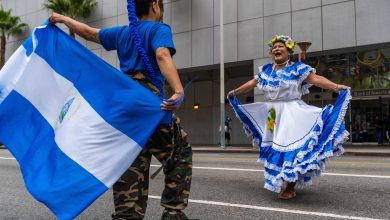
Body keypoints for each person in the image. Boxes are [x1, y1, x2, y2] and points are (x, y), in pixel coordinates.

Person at [49, 0, 192, 219]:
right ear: (155, 5)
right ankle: (173, 213)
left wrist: (63, 19)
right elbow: (162, 54)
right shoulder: (158, 29)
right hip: (147, 101)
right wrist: (178, 90)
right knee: (179, 153)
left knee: (131, 159)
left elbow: (89, 33)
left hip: (124, 105)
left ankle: (127, 215)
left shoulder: (123, 33)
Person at [227, 35, 351, 200]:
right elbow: (251, 84)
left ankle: (289, 185)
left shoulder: (297, 68)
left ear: (289, 50)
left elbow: (316, 79)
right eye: (274, 47)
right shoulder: (265, 71)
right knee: (273, 147)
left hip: (291, 111)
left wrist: (336, 87)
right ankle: (283, 180)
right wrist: (235, 92)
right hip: (271, 114)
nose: (276, 49)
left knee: (290, 146)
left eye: (280, 46)